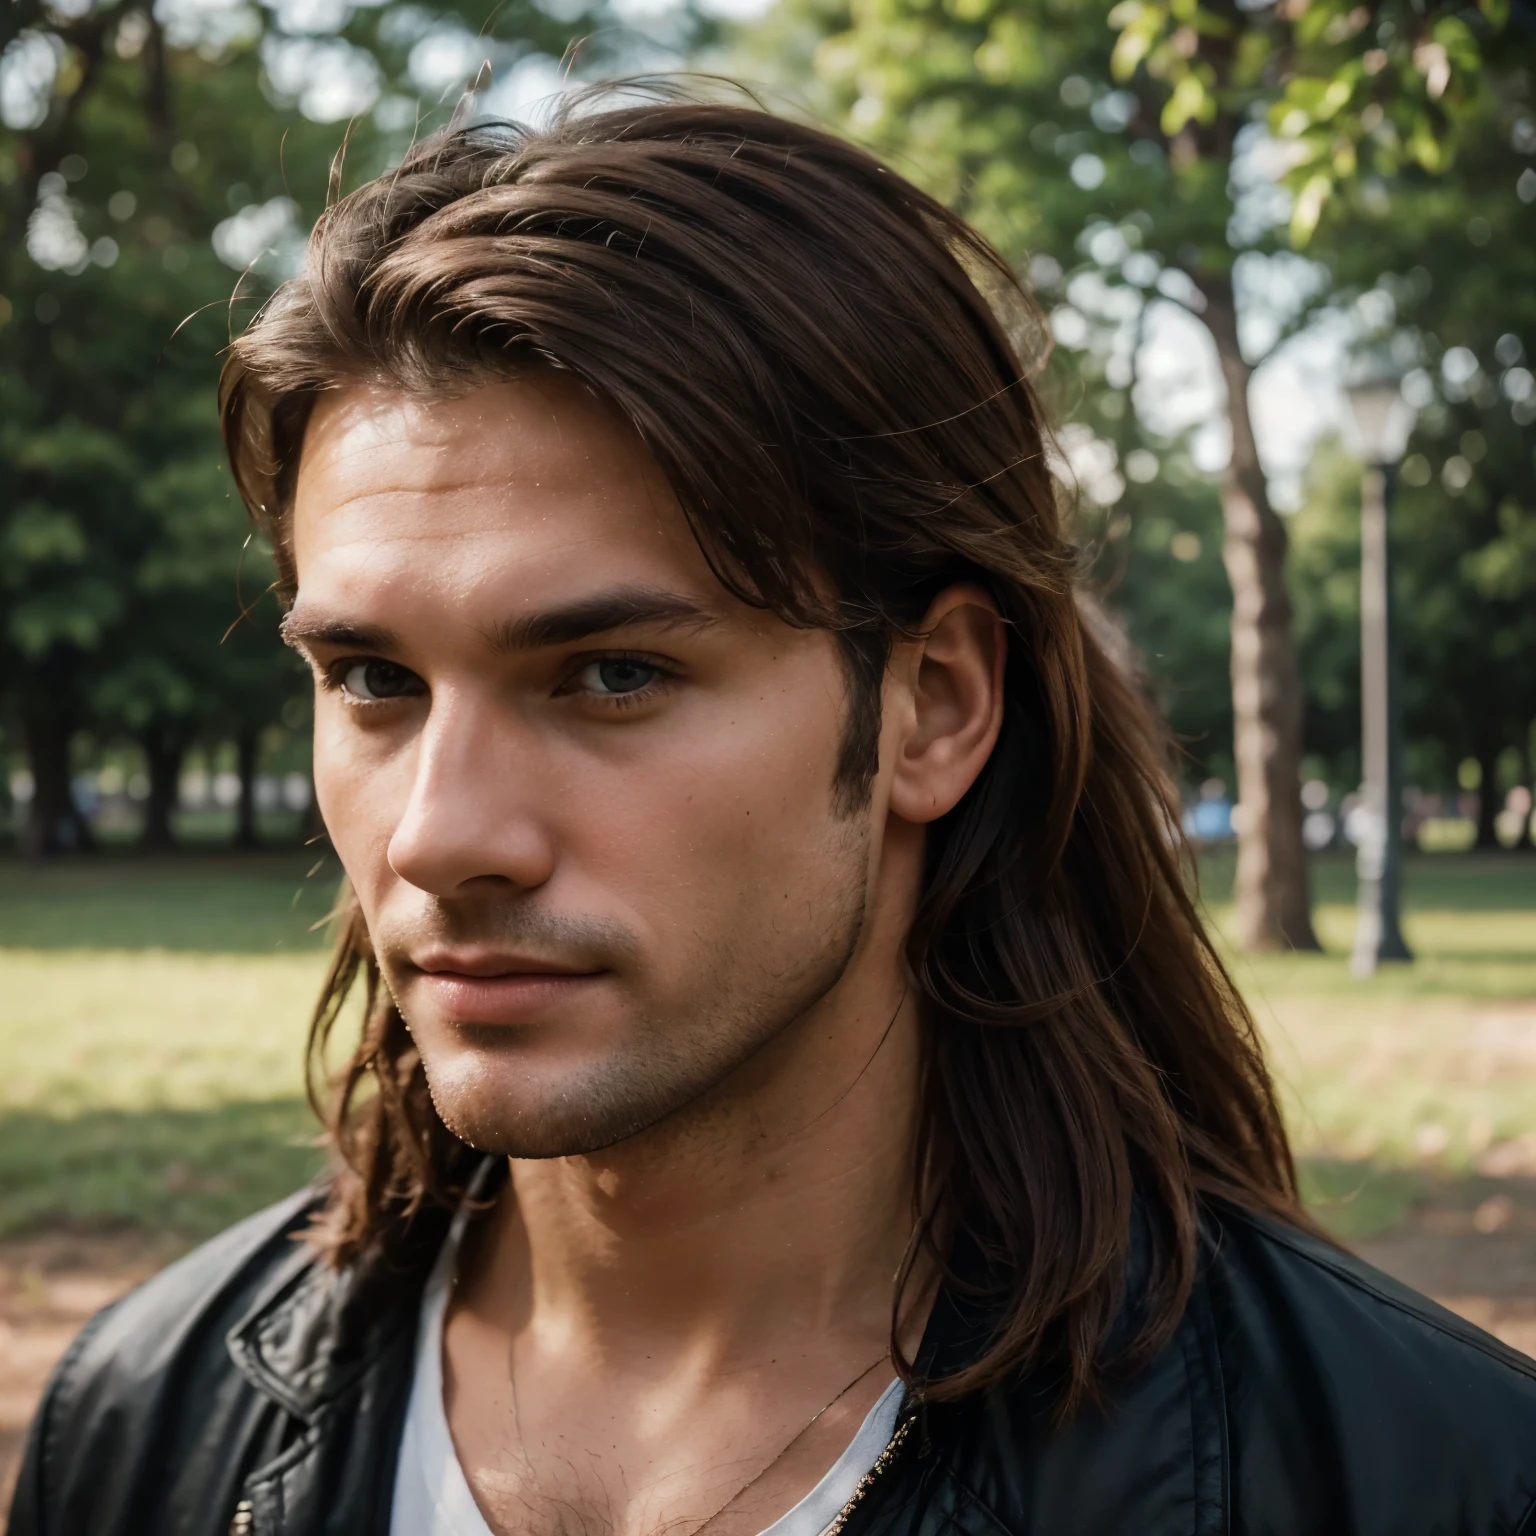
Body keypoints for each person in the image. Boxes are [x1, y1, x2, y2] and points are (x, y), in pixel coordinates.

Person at [11, 96, 1536, 1536]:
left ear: (935, 703)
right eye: (371, 678)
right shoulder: (155, 1422)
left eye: (612, 674)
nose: (437, 836)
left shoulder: (1411, 1475)